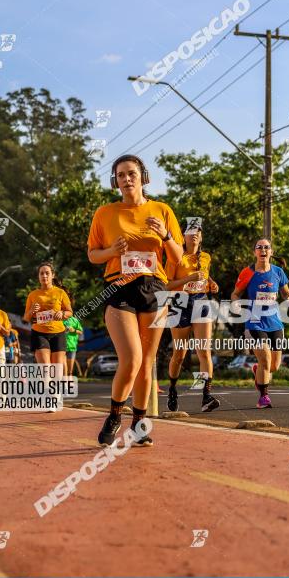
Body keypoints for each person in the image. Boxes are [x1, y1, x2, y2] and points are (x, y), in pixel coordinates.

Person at [88, 154, 183, 447]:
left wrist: (165, 235)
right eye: (120, 175)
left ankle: (139, 425)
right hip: (120, 288)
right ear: (115, 182)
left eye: (131, 173)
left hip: (154, 288)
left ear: (143, 176)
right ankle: (115, 414)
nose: (126, 179)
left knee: (147, 363)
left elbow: (179, 258)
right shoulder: (105, 213)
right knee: (131, 358)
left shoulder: (162, 210)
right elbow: (93, 255)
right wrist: (112, 251)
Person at [231, 238, 289, 408]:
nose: (263, 250)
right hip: (255, 322)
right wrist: (236, 303)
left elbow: (286, 293)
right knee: (265, 361)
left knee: (273, 366)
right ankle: (263, 397)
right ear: (255, 252)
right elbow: (235, 293)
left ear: (271, 252)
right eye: (259, 247)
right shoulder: (247, 273)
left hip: (275, 323)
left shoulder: (278, 272)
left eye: (267, 247)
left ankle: (257, 371)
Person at [165, 221, 220, 413]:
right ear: (183, 236)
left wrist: (211, 283)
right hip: (179, 303)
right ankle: (172, 389)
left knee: (204, 352)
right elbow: (166, 286)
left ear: (201, 236)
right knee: (179, 354)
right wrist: (188, 279)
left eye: (197, 231)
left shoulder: (205, 257)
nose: (194, 234)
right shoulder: (176, 256)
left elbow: (203, 275)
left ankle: (206, 396)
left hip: (201, 302)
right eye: (189, 231)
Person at [23, 263, 72, 370]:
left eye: (47, 273)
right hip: (39, 334)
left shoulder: (60, 293)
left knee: (57, 372)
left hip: (58, 334)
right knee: (46, 368)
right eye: (41, 273)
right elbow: (26, 318)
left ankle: (53, 386)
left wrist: (62, 314)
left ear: (52, 275)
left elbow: (70, 312)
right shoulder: (33, 295)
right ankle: (46, 386)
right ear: (38, 276)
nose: (44, 276)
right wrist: (31, 311)